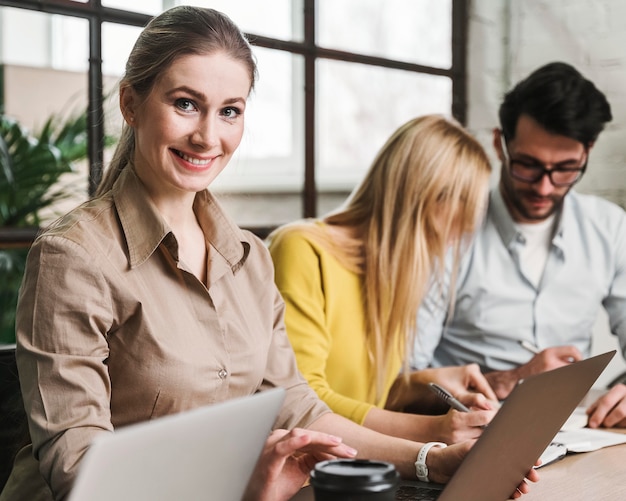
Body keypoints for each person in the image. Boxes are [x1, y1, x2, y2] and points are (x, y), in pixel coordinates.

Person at [0, 6, 538, 501]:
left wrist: (431, 461)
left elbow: (298, 406)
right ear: (131, 103)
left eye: (229, 111)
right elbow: (80, 467)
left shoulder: (249, 258)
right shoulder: (73, 257)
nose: (208, 136)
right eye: (185, 104)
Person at [412, 61, 626, 428]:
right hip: (471, 429)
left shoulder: (609, 227)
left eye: (565, 169)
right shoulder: (449, 229)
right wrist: (510, 380)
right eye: (527, 166)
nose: (544, 187)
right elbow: (406, 378)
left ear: (587, 152)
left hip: (579, 431)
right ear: (500, 144)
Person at [268, 115, 499, 446]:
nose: (465, 229)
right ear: (426, 198)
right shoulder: (302, 250)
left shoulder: (392, 271)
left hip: (362, 464)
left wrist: (425, 384)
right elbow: (304, 403)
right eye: (464, 206)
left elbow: (364, 396)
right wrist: (432, 432)